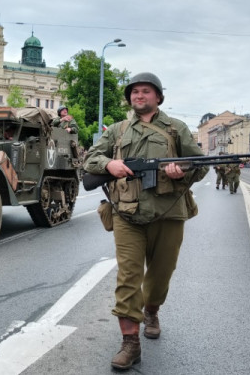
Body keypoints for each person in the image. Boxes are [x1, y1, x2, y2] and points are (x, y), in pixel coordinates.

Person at [83, 72, 207, 371]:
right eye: (135, 92)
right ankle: (130, 343)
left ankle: (151, 310)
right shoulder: (117, 131)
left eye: (146, 92)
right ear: (130, 98)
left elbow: (200, 166)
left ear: (158, 97)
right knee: (128, 277)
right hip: (127, 213)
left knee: (161, 275)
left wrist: (183, 172)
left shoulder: (176, 129)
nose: (140, 96)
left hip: (169, 211)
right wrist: (109, 164)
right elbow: (89, 160)